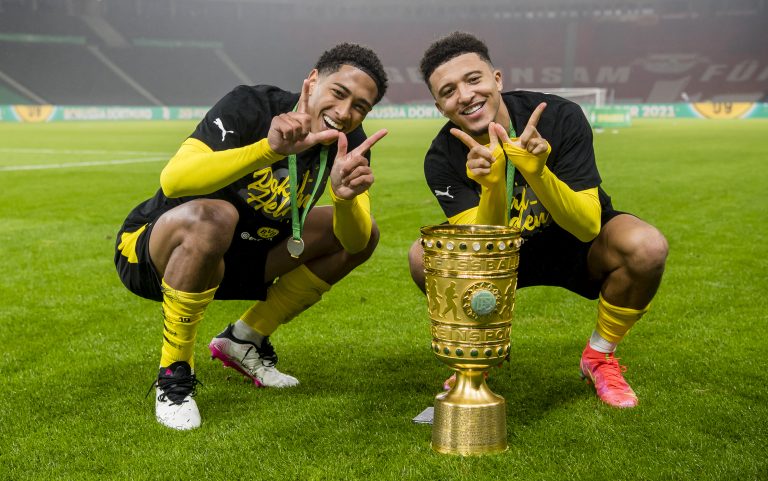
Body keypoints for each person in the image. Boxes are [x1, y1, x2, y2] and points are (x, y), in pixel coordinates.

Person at [115, 43, 388, 430]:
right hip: (156, 251)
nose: (345, 113)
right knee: (215, 215)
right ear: (312, 81)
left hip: (240, 254)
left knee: (364, 231)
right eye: (339, 93)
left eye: (360, 106)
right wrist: (268, 150)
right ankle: (174, 373)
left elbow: (356, 243)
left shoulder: (349, 141)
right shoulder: (252, 105)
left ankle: (243, 340)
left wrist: (345, 200)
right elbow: (173, 180)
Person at [408, 32, 668, 408]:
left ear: (497, 80)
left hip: (578, 243)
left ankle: (599, 355)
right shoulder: (442, 157)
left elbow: (587, 226)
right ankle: (480, 355)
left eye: (473, 79)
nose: (464, 95)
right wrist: (492, 185)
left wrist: (538, 173)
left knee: (646, 246)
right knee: (425, 256)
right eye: (448, 91)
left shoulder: (559, 116)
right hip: (505, 257)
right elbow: (482, 246)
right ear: (439, 106)